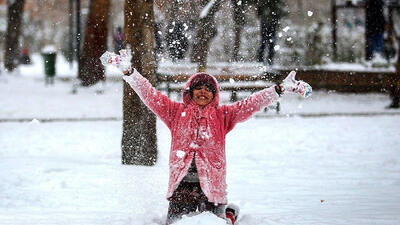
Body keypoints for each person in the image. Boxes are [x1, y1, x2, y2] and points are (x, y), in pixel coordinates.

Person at [104, 50, 311, 224]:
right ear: (190, 92)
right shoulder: (175, 112)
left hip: (212, 187)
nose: (203, 92)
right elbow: (149, 94)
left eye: (208, 89)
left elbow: (251, 103)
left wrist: (279, 89)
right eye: (198, 89)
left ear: (215, 94)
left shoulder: (223, 116)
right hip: (181, 187)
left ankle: (228, 214)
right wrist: (129, 72)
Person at [255, 0, 284, 65]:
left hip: (269, 22)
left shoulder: (271, 3)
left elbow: (259, 11)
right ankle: (263, 61)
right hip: (267, 22)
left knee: (267, 43)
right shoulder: (268, 3)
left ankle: (266, 61)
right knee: (266, 42)